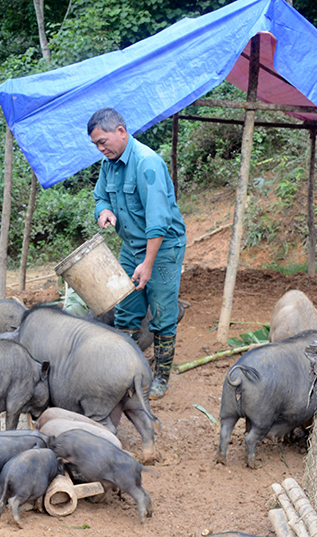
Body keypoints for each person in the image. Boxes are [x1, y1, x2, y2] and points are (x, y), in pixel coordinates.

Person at [88, 108, 187, 400]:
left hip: (163, 247)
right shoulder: (109, 163)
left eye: (103, 141)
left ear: (121, 131)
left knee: (161, 312)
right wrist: (103, 210)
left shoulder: (147, 163)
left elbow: (158, 224)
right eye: (95, 144)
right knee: (127, 310)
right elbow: (100, 196)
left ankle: (160, 377)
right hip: (131, 246)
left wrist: (147, 264)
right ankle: (128, 369)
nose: (100, 148)